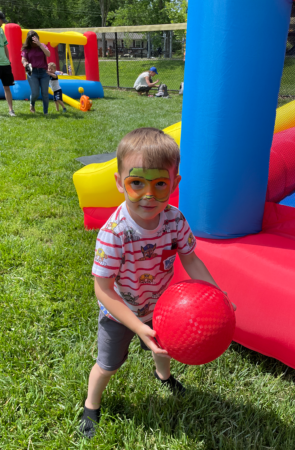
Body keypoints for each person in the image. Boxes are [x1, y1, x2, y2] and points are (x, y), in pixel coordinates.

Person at [79, 127, 236, 438]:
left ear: (174, 184)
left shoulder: (175, 220)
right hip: (120, 313)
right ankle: (91, 404)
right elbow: (104, 289)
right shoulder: (114, 233)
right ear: (119, 183)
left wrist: (216, 293)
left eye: (159, 184)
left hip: (163, 307)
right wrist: (137, 326)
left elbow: (190, 259)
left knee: (163, 349)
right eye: (136, 183)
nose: (148, 195)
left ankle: (163, 377)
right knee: (107, 366)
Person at [21, 30, 51, 114]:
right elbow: (23, 59)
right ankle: (32, 103)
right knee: (35, 93)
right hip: (32, 72)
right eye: (33, 40)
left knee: (45, 93)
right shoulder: (26, 49)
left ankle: (46, 112)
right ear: (29, 41)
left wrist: (39, 44)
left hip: (44, 72)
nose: (34, 42)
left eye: (36, 39)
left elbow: (48, 54)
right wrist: (25, 63)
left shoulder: (42, 46)